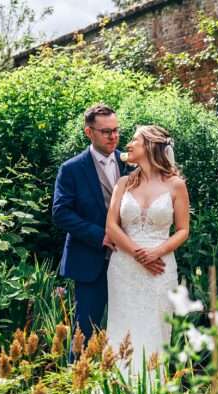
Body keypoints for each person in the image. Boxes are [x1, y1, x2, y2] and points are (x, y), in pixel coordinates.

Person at [52, 104, 166, 354]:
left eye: (116, 130)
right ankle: (77, 386)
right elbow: (60, 213)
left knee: (128, 329)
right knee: (85, 330)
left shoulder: (131, 164)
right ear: (88, 132)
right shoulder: (71, 169)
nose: (113, 137)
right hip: (89, 260)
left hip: (129, 262)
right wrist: (99, 235)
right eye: (105, 132)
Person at [105, 125, 190, 375]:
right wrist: (137, 253)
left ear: (151, 146)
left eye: (134, 140)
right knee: (122, 328)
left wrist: (156, 252)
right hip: (123, 269)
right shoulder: (123, 183)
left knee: (155, 331)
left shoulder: (176, 186)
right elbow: (111, 225)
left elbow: (183, 230)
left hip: (159, 269)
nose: (128, 145)